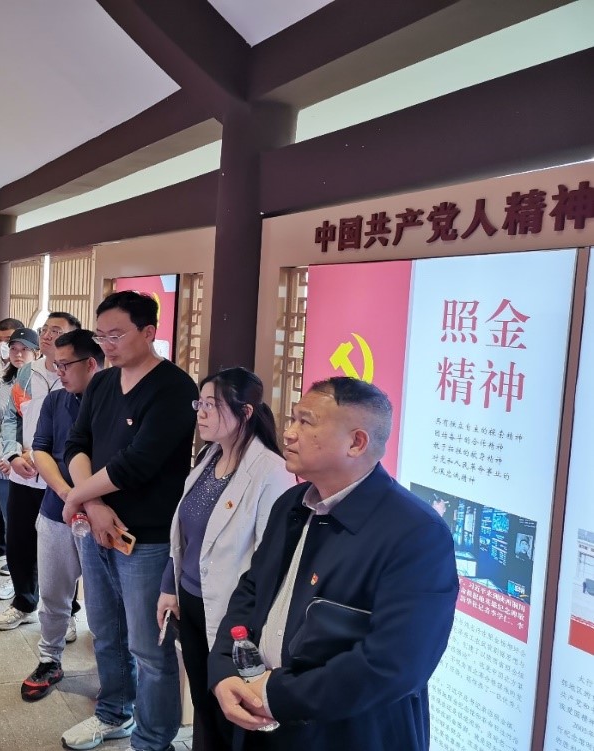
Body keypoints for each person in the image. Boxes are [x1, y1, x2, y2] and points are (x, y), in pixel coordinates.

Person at [208, 377, 458, 751]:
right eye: (292, 419)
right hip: (263, 718)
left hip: (347, 733)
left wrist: (277, 694)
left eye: (305, 422)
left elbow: (394, 665)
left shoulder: (416, 532)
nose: (289, 433)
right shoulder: (292, 503)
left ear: (356, 443)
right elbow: (252, 589)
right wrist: (224, 669)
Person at [61, 291, 198, 751]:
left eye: (116, 335)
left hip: (148, 539)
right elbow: (77, 443)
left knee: (149, 647)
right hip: (97, 527)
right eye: (101, 336)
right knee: (105, 632)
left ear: (149, 332)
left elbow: (138, 463)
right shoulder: (102, 383)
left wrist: (77, 496)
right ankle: (113, 713)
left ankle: (153, 739)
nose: (107, 345)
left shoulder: (175, 388)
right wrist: (93, 504)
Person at [155, 368, 296, 749]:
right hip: (192, 601)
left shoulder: (271, 472)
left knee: (229, 708)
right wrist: (169, 586)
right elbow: (185, 535)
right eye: (199, 403)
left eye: (211, 405)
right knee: (203, 700)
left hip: (234, 615)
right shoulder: (209, 455)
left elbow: (271, 560)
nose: (200, 413)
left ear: (245, 412)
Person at [21, 329, 105, 702]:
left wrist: (85, 497)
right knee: (53, 593)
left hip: (104, 516)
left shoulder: (114, 403)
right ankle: (49, 659)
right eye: (56, 365)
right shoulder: (56, 400)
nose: (59, 372)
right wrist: (67, 493)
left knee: (104, 604)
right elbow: (40, 449)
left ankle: (112, 672)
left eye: (65, 365)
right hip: (56, 511)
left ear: (91, 364)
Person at [0, 312, 81, 632]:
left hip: (61, 477)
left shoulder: (81, 375)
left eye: (56, 330)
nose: (46, 335)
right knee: (19, 541)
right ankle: (24, 602)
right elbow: (11, 417)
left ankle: (67, 612)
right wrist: (13, 453)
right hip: (24, 471)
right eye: (45, 329)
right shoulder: (28, 372)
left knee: (63, 548)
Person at [0, 327, 38, 580]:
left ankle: (29, 574)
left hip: (32, 463)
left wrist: (21, 456)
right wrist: (4, 457)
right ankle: (15, 571)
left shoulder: (40, 383)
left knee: (29, 522)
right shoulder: (1, 384)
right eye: (14, 349)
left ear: (36, 353)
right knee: (10, 519)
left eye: (25, 350)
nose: (18, 354)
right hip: (3, 464)